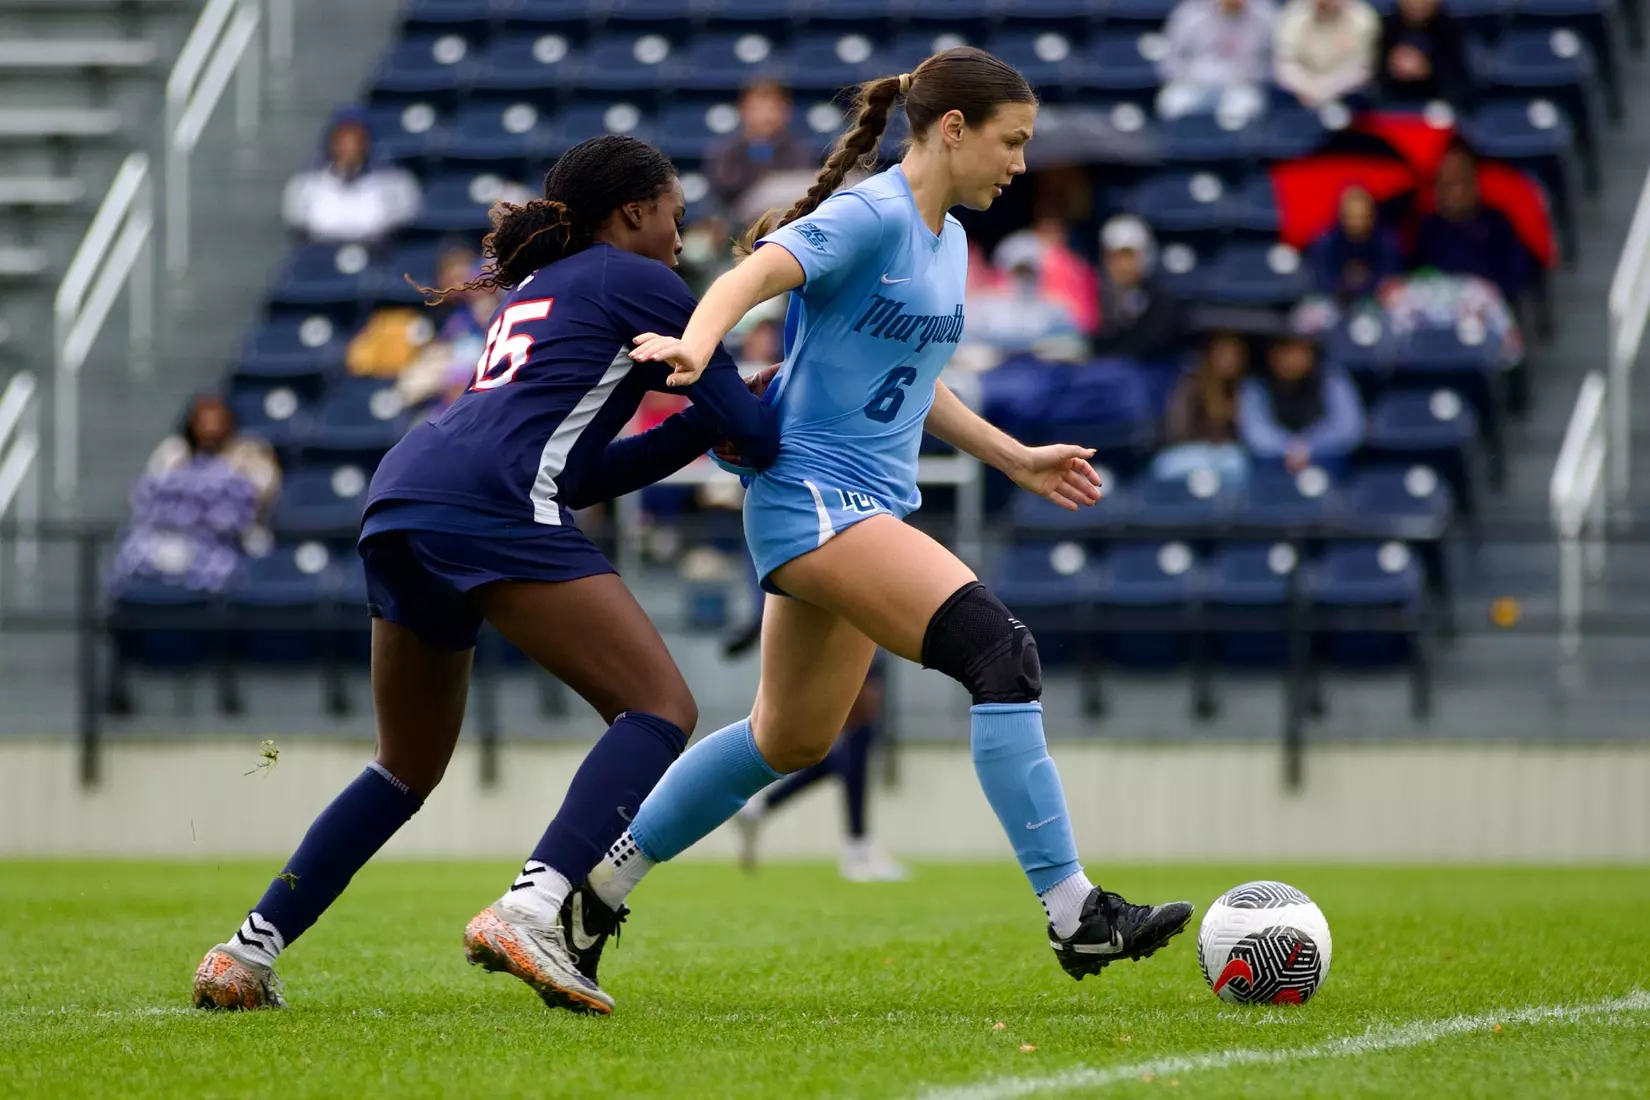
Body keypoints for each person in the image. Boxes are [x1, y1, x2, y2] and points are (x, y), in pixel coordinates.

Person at [584, 47, 1194, 1013]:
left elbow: (914, 380)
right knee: (1003, 655)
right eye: (1012, 141)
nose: (1022, 165)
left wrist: (1015, 456)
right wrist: (697, 350)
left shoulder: (946, 236)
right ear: (952, 130)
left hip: (855, 506)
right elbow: (753, 276)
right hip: (817, 500)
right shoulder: (869, 213)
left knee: (788, 738)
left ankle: (595, 889)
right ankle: (1075, 909)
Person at [191, 136, 781, 1015]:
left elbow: (579, 473)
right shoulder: (645, 282)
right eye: (673, 217)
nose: (678, 236)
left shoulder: (544, 286)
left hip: (406, 493)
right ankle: (533, 905)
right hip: (489, 504)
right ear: (632, 214)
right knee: (661, 708)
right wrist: (757, 403)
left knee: (403, 768)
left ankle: (246, 952)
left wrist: (705, 429)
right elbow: (754, 431)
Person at [734, 656, 907, 882]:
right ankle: (857, 849)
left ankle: (760, 808)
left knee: (837, 763)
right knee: (852, 757)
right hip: (847, 673)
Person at [112, 395, 281, 596]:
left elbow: (266, 488)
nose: (210, 425)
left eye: (217, 418)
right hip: (178, 539)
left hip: (232, 541)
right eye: (204, 418)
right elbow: (151, 493)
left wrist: (232, 465)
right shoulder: (174, 451)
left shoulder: (248, 450)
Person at [1239, 309, 1364, 474]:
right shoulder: (1256, 383)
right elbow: (1255, 432)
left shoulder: (1332, 377)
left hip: (1325, 455)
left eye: (1299, 351)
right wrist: (1289, 447)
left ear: (1311, 353)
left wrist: (1308, 446)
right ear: (1271, 355)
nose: (1292, 359)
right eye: (1285, 351)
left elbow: (1350, 428)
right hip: (1274, 458)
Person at [1414, 143, 1533, 308]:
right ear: (1437, 188)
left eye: (1463, 181)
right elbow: (1418, 279)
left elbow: (1516, 273)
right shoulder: (1427, 229)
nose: (1458, 192)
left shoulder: (1496, 222)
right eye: (1449, 184)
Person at [282, 108, 422, 245]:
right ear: (331, 142)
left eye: (357, 140)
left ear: (368, 143)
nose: (350, 148)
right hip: (320, 258)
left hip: (378, 258)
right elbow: (299, 229)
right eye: (343, 141)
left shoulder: (396, 183)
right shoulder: (304, 185)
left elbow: (404, 227)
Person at [1153, 325, 1251, 486]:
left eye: (1234, 354)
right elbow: (1178, 429)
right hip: (1189, 452)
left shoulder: (1243, 388)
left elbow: (1247, 438)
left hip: (1226, 455)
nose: (1229, 360)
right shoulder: (1190, 384)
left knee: (1235, 462)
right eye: (1223, 353)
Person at [1157, 0, 1276, 124]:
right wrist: (1188, 75)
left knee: (1246, 108)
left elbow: (1275, 60)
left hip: (1242, 85)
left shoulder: (1265, 14)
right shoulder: (1191, 13)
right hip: (1194, 83)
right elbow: (1169, 57)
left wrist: (1254, 74)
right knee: (1173, 104)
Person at [708, 80, 817, 212]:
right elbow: (724, 192)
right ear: (743, 110)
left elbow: (803, 189)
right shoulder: (725, 151)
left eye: (772, 109)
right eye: (758, 109)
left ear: (786, 112)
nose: (766, 116)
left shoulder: (799, 151)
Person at [1092, 215, 1186, 362]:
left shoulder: (1161, 301)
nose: (1123, 265)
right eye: (1115, 257)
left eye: (1129, 257)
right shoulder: (1093, 295)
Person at [1273, 0, 1379, 109]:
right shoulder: (1293, 14)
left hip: (1345, 95)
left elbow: (1359, 69)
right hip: (1298, 94)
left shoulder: (1362, 17)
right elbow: (1285, 62)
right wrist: (1306, 89)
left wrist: (1324, 91)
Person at [1308, 185, 1404, 302]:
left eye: (1362, 216)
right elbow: (1322, 281)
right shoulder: (1327, 243)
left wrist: (1365, 282)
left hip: (1377, 304)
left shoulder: (1386, 241)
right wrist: (1347, 283)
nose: (1357, 223)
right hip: (1336, 303)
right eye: (1352, 216)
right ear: (1341, 215)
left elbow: (1391, 277)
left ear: (1372, 215)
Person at [1376, 0, 1467, 106]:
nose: (1417, 3)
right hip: (1390, 106)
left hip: (1438, 106)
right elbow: (1374, 79)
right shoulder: (1385, 28)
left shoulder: (1452, 30)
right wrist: (1392, 66)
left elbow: (1463, 85)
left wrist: (1427, 68)